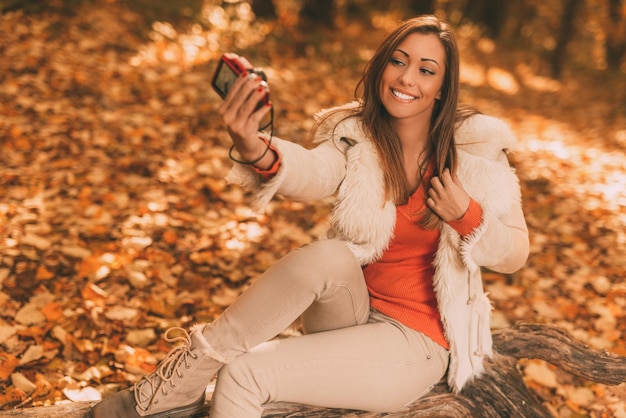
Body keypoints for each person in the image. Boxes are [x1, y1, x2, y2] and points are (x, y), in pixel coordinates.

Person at [90, 14, 529, 418]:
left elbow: (515, 255)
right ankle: (190, 370)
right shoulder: (356, 137)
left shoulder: (477, 154)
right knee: (329, 255)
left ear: (442, 88)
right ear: (381, 67)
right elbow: (314, 171)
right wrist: (256, 148)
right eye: (398, 61)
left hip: (417, 341)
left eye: (426, 70)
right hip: (351, 312)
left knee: (243, 375)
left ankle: (179, 389)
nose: (407, 78)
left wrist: (466, 216)